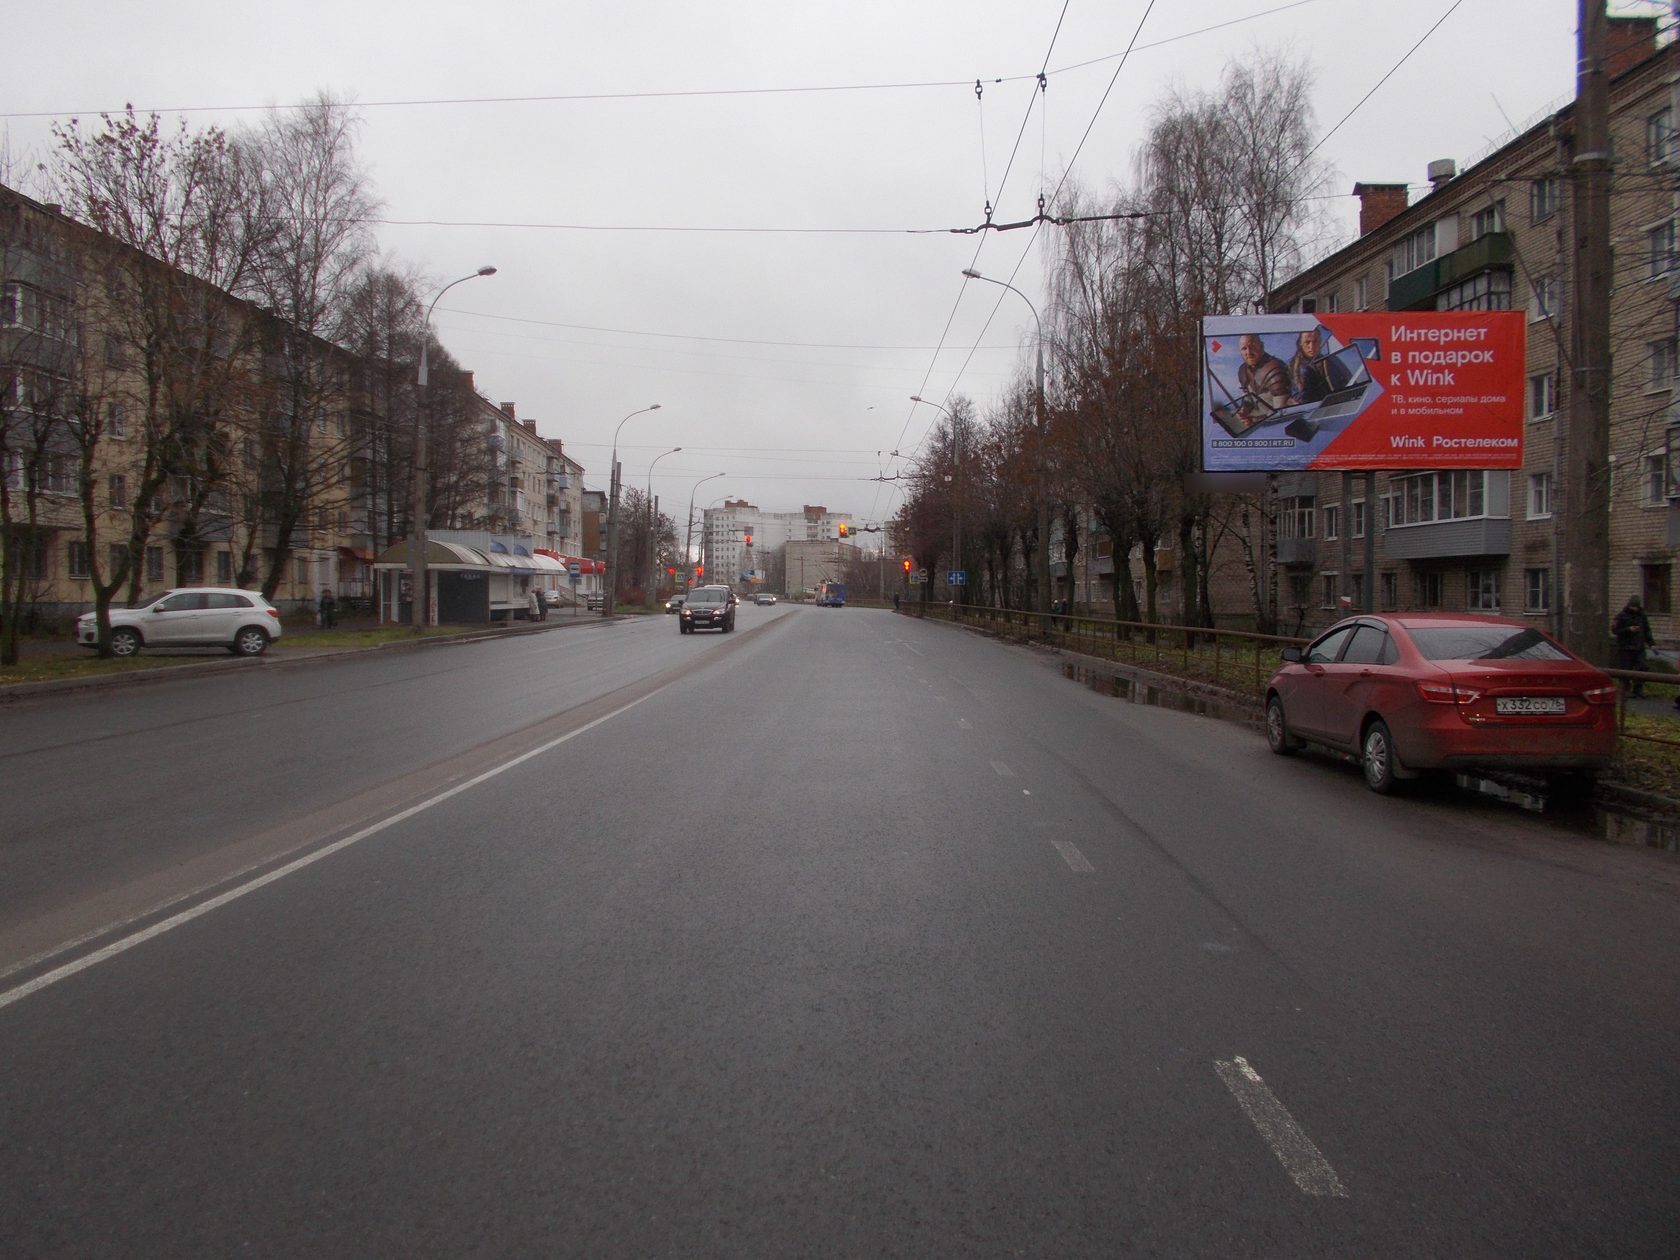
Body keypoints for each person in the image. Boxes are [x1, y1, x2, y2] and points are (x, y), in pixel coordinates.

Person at [1289, 328, 1352, 405]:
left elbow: (1350, 382)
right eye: (1307, 342)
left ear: (1320, 343)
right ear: (1300, 344)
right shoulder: (1291, 367)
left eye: (1315, 341)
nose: (1311, 346)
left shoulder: (1331, 361)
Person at [1612, 595, 1654, 696]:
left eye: (1636, 607)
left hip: (1639, 648)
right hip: (1625, 647)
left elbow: (1647, 630)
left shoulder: (1642, 616)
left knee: (1643, 667)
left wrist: (1652, 644)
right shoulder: (1621, 616)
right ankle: (1625, 690)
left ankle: (1638, 688)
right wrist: (1628, 629)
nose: (1634, 609)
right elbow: (1615, 630)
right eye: (1633, 606)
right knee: (1626, 670)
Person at [1237, 333, 1291, 410]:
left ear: (1261, 346)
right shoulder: (1242, 370)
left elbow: (1281, 411)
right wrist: (1244, 412)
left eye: (1252, 347)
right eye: (1244, 348)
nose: (1248, 352)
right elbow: (1248, 400)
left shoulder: (1275, 369)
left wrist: (1255, 419)